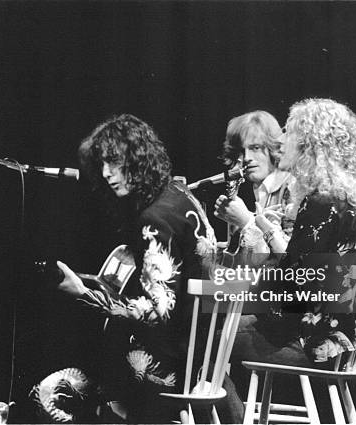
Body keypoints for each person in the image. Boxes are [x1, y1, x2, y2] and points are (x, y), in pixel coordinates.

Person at [51, 114, 243, 423]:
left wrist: (84, 294)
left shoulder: (152, 219)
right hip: (205, 352)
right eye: (101, 165)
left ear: (137, 160)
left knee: (71, 375)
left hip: (177, 364)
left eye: (114, 163)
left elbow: (159, 312)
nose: (106, 174)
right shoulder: (180, 195)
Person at [234, 98, 356, 367]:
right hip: (343, 345)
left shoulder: (321, 204)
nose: (281, 142)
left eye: (289, 133)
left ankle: (227, 411)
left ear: (309, 145)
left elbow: (289, 287)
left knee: (205, 338)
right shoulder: (347, 202)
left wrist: (256, 234)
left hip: (313, 343)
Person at [214, 111, 295, 257]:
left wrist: (246, 221)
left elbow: (290, 260)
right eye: (240, 151)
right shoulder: (260, 187)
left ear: (274, 147)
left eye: (255, 148)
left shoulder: (292, 188)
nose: (246, 158)